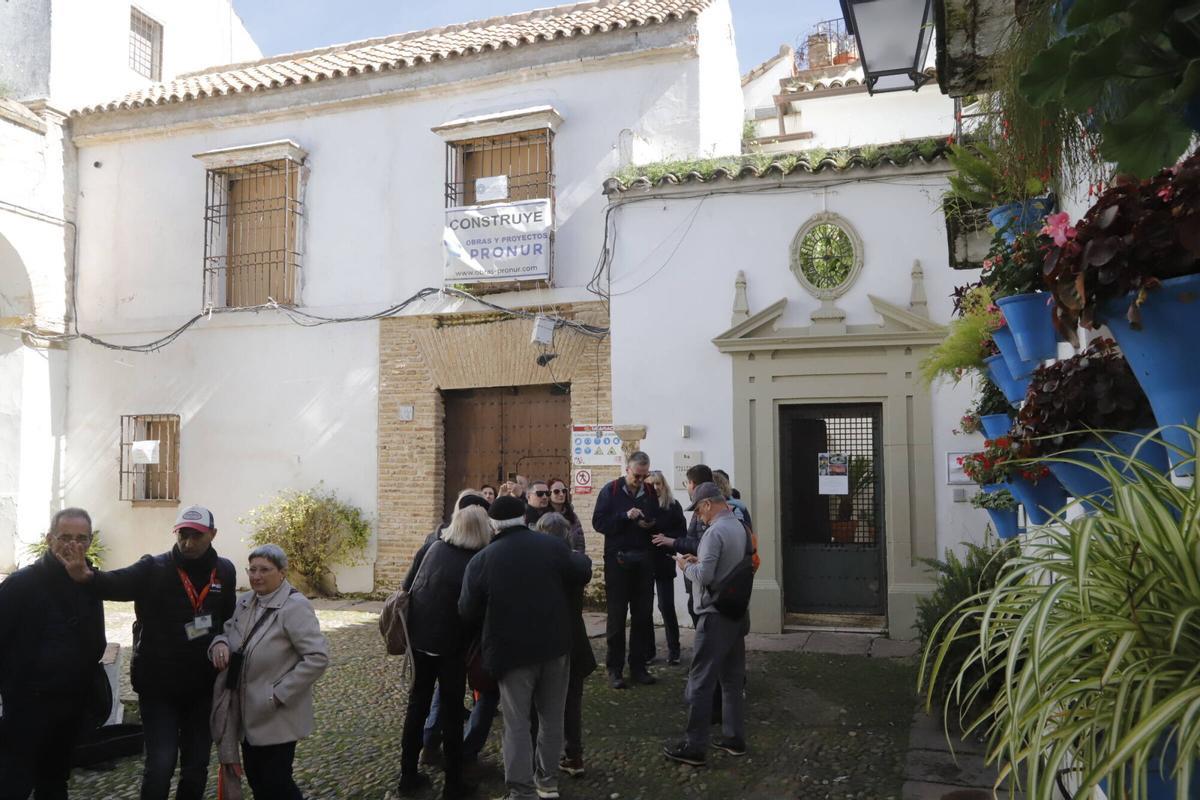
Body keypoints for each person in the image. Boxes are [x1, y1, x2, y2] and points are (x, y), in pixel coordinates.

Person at [59, 504, 237, 800]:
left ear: (212, 535)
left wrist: (223, 642)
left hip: (203, 688)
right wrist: (87, 577)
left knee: (196, 767)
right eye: (183, 534)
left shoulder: (225, 572)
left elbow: (228, 620)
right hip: (159, 687)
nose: (188, 542)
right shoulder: (153, 567)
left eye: (196, 536)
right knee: (160, 765)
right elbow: (116, 582)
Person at [459, 497, 591, 800]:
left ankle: (521, 791)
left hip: (511, 652)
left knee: (517, 722)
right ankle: (548, 783)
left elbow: (467, 610)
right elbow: (581, 571)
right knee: (552, 717)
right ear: (524, 518)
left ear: (492, 524)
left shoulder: (482, 559)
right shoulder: (552, 547)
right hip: (555, 645)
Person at [0, 509, 106, 800]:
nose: (73, 545)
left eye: (81, 538)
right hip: (26, 706)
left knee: (55, 783)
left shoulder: (90, 584)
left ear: (90, 540)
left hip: (69, 706)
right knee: (13, 783)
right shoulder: (20, 585)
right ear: (49, 539)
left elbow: (97, 642)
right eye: (65, 538)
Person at [209, 544, 328, 800]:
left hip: (277, 715)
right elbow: (228, 633)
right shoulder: (245, 602)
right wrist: (219, 643)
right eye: (252, 570)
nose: (256, 576)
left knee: (277, 784)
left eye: (265, 570)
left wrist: (278, 694)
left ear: (282, 572)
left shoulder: (294, 607)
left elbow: (317, 657)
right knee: (258, 781)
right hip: (246, 712)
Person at [397, 505, 492, 799]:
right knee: (451, 714)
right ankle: (453, 784)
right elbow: (474, 609)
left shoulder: (434, 548)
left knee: (417, 707)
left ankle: (408, 774)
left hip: (421, 641)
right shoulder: (476, 560)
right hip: (451, 646)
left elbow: (408, 587)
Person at [663, 483, 751, 767]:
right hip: (737, 612)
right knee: (732, 680)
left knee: (701, 681)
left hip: (714, 615)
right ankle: (734, 738)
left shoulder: (714, 532)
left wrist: (685, 565)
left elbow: (705, 575)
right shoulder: (739, 527)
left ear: (708, 504)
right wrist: (699, 560)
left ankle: (694, 746)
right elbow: (729, 565)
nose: (698, 516)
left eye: (699, 510)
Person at [531, 513, 596, 778]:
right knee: (572, 702)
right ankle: (574, 754)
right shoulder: (576, 563)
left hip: (546, 641)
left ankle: (540, 761)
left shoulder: (537, 565)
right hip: (573, 638)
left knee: (539, 705)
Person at [591, 450, 659, 689]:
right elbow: (599, 523)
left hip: (643, 560)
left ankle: (638, 667)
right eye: (637, 476)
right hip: (618, 561)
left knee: (642, 616)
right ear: (627, 469)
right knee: (617, 617)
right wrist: (624, 516)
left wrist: (648, 523)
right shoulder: (609, 491)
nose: (641, 480)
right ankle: (614, 669)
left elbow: (656, 519)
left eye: (644, 476)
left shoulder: (650, 492)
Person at [644, 471, 685, 667]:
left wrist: (666, 538)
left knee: (666, 606)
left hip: (664, 559)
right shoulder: (642, 506)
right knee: (644, 607)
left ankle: (674, 650)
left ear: (664, 485)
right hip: (644, 561)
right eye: (651, 485)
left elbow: (681, 533)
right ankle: (649, 651)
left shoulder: (673, 506)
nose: (655, 487)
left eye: (658, 483)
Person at [547, 479, 585, 554]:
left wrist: (577, 558)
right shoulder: (544, 516)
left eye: (564, 491)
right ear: (549, 494)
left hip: (570, 559)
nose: (561, 494)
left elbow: (580, 542)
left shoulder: (572, 516)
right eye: (556, 491)